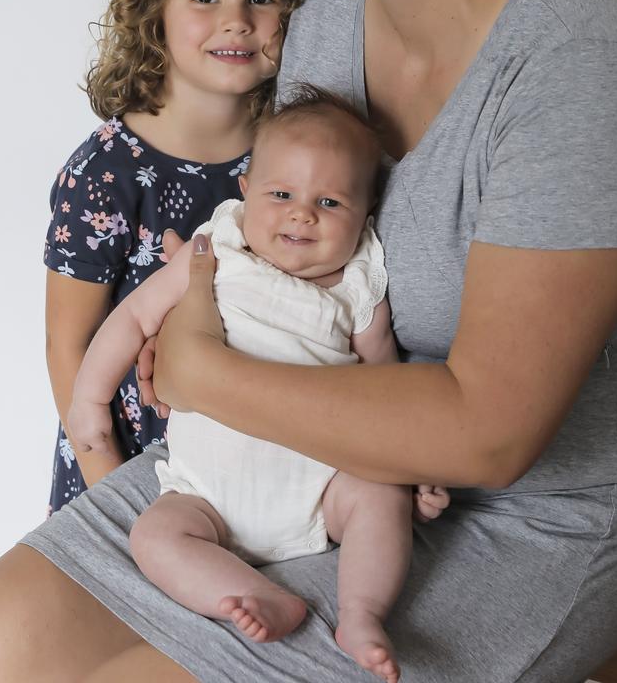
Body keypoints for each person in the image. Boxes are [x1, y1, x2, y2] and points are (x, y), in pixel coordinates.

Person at [0, 0, 617, 683]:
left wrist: (200, 368)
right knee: (11, 630)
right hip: (279, 455)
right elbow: (252, 247)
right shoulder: (322, 32)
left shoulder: (577, 64)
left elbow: (489, 433)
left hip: (510, 520)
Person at [68, 89, 446, 683]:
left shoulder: (358, 288)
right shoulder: (215, 250)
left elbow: (384, 389)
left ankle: (362, 614)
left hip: (323, 485)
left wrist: (410, 469)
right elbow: (136, 316)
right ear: (245, 191)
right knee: (155, 536)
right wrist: (89, 397)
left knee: (379, 502)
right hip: (206, 494)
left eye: (329, 201)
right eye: (281, 195)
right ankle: (245, 593)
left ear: (365, 213)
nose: (302, 214)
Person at [43, 0, 309, 512]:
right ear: (155, 8)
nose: (236, 20)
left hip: (255, 471)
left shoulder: (294, 157)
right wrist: (109, 484)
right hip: (130, 471)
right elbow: (66, 347)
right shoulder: (108, 171)